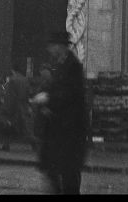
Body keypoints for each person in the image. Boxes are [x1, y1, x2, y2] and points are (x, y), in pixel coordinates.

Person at [34, 29, 88, 194]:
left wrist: (48, 98)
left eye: (52, 46)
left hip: (70, 131)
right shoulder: (60, 64)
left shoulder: (73, 66)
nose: (50, 50)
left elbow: (70, 94)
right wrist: (47, 105)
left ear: (60, 46)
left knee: (68, 175)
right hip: (60, 129)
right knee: (54, 170)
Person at [0, 64, 33, 150]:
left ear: (13, 70)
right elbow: (29, 92)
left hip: (14, 106)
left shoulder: (12, 80)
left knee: (7, 124)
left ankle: (6, 145)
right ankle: (34, 144)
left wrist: (6, 108)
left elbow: (9, 95)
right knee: (26, 128)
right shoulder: (25, 80)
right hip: (23, 105)